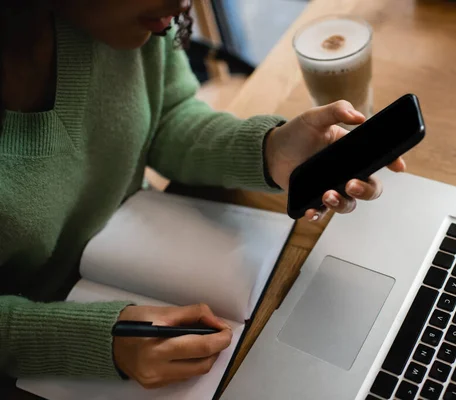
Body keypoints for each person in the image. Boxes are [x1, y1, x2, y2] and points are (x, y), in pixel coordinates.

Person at [0, 0, 406, 389]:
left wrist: (269, 151)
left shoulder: (140, 20)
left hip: (132, 242)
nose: (185, 4)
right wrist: (90, 343)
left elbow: (166, 117)